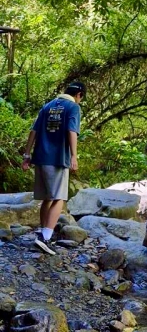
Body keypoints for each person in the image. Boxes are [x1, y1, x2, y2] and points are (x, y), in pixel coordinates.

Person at [21, 80, 86, 255]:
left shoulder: (47, 106)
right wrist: (74, 156)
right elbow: (71, 131)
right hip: (57, 159)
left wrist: (27, 155)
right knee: (59, 198)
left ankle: (43, 231)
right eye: (81, 97)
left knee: (47, 198)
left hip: (40, 157)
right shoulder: (73, 107)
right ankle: (45, 238)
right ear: (78, 95)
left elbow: (33, 131)